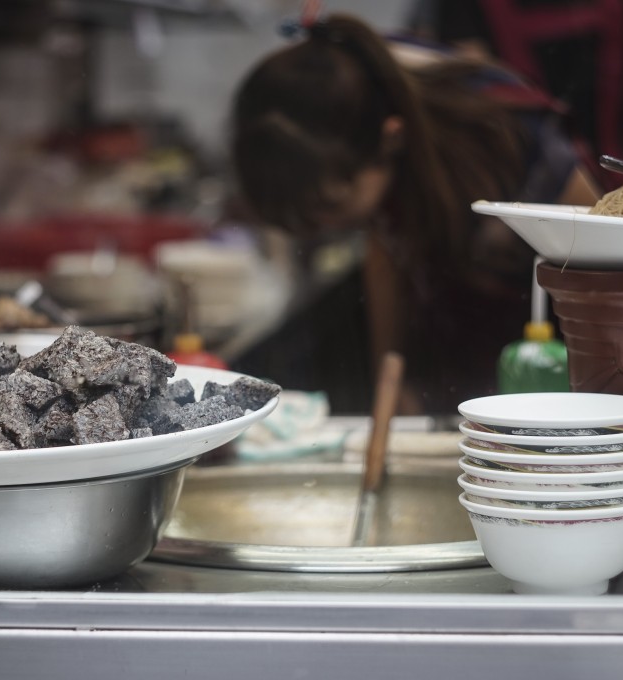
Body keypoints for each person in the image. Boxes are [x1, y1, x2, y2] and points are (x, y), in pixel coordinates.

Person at [230, 13, 601, 415]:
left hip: (560, 345)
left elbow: (603, 250)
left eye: (332, 207)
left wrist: (604, 386)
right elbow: (385, 249)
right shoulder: (356, 112)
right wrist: (393, 379)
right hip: (461, 341)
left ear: (392, 138)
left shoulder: (501, 126)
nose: (328, 228)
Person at [406, 0, 623, 189]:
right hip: (607, 197)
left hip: (526, 209)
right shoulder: (614, 7)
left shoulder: (464, 8)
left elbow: (479, 108)